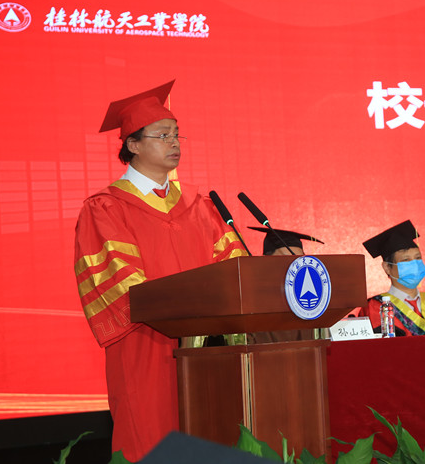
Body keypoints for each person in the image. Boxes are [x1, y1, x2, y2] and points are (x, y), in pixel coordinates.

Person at [73, 80, 247, 461]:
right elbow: (123, 286)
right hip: (146, 349)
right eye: (163, 135)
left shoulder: (200, 206)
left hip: (206, 355)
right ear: (133, 145)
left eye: (177, 134)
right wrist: (185, 311)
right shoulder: (105, 209)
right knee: (150, 441)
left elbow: (233, 270)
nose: (174, 143)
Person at [358, 220, 425, 336]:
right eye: (406, 260)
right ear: (387, 267)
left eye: (418, 258)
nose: (414, 264)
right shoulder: (375, 307)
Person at [247, 226, 324, 343]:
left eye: (298, 261)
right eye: (286, 260)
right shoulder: (252, 302)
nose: (294, 268)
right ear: (266, 261)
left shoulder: (313, 303)